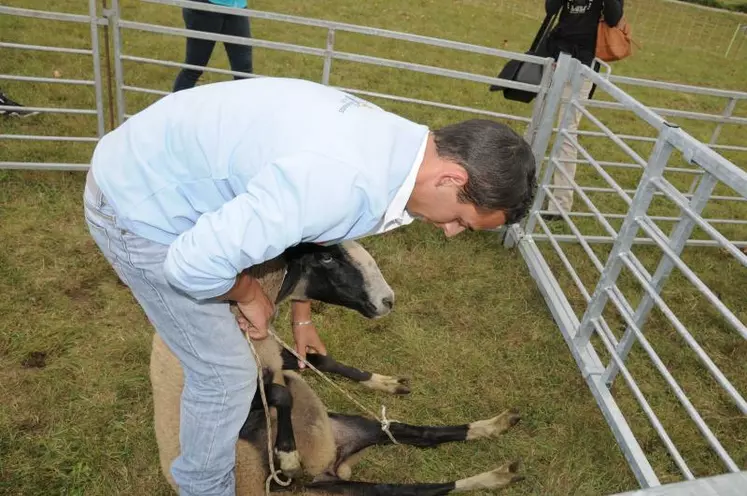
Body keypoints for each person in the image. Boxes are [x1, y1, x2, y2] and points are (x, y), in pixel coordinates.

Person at [83, 76, 536, 496]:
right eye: (461, 219)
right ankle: (202, 486)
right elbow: (190, 266)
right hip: (136, 209)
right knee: (225, 374)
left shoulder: (400, 148)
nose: (451, 231)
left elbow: (303, 228)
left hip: (166, 169)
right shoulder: (337, 182)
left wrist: (301, 315)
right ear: (452, 178)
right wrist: (247, 293)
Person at [542, 0, 623, 222]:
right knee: (539, 122)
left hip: (584, 65)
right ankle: (521, 186)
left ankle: (560, 204)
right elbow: (551, 9)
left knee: (566, 130)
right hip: (556, 58)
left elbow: (614, 18)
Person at [173, 0, 253, 92]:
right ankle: (175, 104)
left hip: (238, 7)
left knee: (244, 71)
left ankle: (243, 105)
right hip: (206, 6)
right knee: (194, 68)